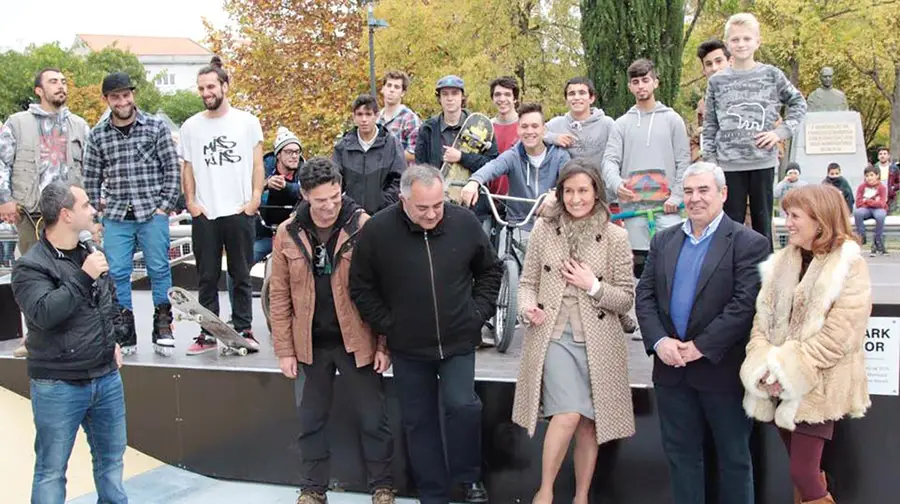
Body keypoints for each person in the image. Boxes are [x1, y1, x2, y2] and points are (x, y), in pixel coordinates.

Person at [349, 164, 502, 504]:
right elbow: (361, 287)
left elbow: (491, 270)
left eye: (438, 205)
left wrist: (477, 315)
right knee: (419, 422)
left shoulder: (464, 222)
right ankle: (433, 493)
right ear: (404, 200)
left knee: (463, 406)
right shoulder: (378, 231)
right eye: (423, 208)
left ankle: (469, 478)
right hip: (408, 347)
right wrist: (388, 324)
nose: (432, 214)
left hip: (459, 340)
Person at [635, 162, 770, 504]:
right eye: (689, 191)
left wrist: (701, 347)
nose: (695, 199)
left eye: (704, 190)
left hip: (721, 372)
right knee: (682, 459)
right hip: (671, 372)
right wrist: (659, 341)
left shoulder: (750, 243)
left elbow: (744, 305)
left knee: (734, 460)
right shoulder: (663, 240)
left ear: (723, 194)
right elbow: (645, 296)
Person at [270, 157, 395, 504]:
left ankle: (382, 485)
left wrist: (385, 345)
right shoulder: (287, 232)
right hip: (309, 343)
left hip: (358, 340)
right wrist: (284, 350)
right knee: (310, 421)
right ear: (306, 195)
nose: (329, 206)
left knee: (373, 418)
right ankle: (313, 488)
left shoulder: (364, 225)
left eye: (335, 197)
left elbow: (385, 288)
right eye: (321, 199)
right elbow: (278, 294)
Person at [512, 159, 635, 504]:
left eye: (583, 190)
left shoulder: (615, 237)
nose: (576, 198)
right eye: (569, 191)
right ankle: (545, 492)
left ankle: (581, 497)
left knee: (588, 424)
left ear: (596, 192)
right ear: (560, 192)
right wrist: (527, 308)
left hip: (599, 343)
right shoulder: (543, 230)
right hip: (553, 335)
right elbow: (527, 283)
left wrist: (593, 286)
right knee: (567, 413)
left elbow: (626, 298)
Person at [740, 184, 871, 504]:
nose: (788, 222)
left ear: (821, 220)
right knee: (802, 472)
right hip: (778, 387)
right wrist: (765, 370)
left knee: (803, 472)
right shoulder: (783, 261)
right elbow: (763, 319)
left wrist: (785, 372)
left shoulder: (850, 264)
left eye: (795, 215)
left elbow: (839, 334)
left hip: (819, 388)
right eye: (786, 214)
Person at [11, 180, 127, 504]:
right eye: (86, 205)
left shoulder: (92, 252)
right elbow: (45, 313)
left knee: (112, 465)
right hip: (58, 384)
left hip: (105, 378)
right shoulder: (30, 266)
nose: (93, 210)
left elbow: (109, 302)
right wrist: (83, 276)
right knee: (51, 471)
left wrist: (113, 341)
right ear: (65, 214)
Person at [83, 72, 181, 357]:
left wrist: (164, 205)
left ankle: (163, 325)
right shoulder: (98, 134)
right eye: (116, 97)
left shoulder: (155, 126)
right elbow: (90, 177)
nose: (122, 101)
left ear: (132, 95)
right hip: (115, 214)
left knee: (160, 269)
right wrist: (97, 212)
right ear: (107, 100)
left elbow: (171, 168)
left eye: (126, 95)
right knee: (117, 274)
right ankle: (124, 330)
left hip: (152, 211)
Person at [0, 67, 90, 358]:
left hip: (68, 213)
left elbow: (89, 168)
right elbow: (2, 161)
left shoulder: (78, 124)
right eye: (53, 82)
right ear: (39, 90)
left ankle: (76, 335)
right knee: (33, 276)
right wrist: (5, 199)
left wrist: (92, 211)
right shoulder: (17, 123)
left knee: (73, 275)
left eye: (64, 82)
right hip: (31, 212)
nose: (61, 86)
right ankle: (34, 339)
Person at [179, 56, 263, 354]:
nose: (206, 93)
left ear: (224, 86)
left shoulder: (247, 122)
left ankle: (243, 328)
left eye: (211, 86)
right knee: (206, 277)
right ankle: (207, 332)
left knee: (240, 274)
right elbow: (187, 167)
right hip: (206, 212)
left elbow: (257, 164)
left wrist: (254, 200)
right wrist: (191, 202)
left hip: (239, 210)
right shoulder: (191, 126)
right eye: (201, 88)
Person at [702, 12, 807, 248]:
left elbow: (799, 103)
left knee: (762, 227)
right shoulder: (717, 82)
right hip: (728, 165)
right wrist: (710, 161)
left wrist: (780, 133)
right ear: (727, 43)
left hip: (762, 163)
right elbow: (710, 125)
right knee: (728, 228)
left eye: (746, 39)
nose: (741, 44)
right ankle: (728, 278)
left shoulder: (771, 75)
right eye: (736, 39)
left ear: (757, 42)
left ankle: (766, 280)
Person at [602, 58, 689, 279]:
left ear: (655, 83)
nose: (641, 86)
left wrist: (677, 196)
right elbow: (610, 160)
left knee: (670, 267)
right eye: (635, 81)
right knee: (639, 272)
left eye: (645, 80)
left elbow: (683, 161)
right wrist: (616, 184)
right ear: (629, 86)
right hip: (634, 209)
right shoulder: (621, 124)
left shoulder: (673, 120)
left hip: (667, 209)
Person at [459, 102, 571, 233]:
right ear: (518, 130)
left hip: (551, 225)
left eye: (535, 126)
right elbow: (493, 166)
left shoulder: (560, 155)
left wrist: (556, 193)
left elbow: (570, 181)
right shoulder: (513, 155)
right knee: (500, 252)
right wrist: (474, 181)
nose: (529, 131)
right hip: (517, 225)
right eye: (524, 126)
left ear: (544, 130)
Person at [414, 75, 499, 193]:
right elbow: (420, 168)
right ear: (439, 98)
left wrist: (461, 157)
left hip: (475, 197)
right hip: (438, 197)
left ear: (462, 97)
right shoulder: (428, 128)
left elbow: (492, 166)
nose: (450, 98)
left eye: (454, 93)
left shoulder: (480, 126)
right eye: (445, 94)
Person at [332, 94, 406, 215]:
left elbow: (400, 180)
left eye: (368, 114)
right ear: (354, 117)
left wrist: (383, 203)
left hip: (384, 215)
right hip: (350, 215)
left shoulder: (391, 145)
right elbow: (335, 181)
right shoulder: (342, 147)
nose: (364, 119)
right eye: (360, 114)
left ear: (376, 116)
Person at [544, 77, 616, 164]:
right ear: (566, 99)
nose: (576, 97)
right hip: (567, 176)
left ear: (591, 98)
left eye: (582, 93)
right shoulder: (556, 124)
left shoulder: (607, 124)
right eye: (571, 94)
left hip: (600, 177)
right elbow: (534, 134)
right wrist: (553, 138)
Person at [691, 39, 732, 162]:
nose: (714, 68)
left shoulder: (752, 94)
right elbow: (694, 143)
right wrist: (701, 159)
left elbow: (775, 133)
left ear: (730, 62)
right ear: (704, 70)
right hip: (714, 172)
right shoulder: (702, 107)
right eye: (708, 64)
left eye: (719, 61)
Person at [377, 70, 421, 164]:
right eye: (389, 85)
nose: (391, 90)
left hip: (403, 176)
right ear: (383, 89)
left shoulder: (410, 119)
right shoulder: (376, 119)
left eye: (396, 87)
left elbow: (416, 153)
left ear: (402, 93)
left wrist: (388, 155)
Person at [853, 165, 889, 256]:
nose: (869, 178)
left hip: (879, 209)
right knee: (858, 213)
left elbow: (881, 203)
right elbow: (858, 203)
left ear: (877, 175)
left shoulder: (882, 187)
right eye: (867, 175)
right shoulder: (862, 187)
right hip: (866, 209)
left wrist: (867, 201)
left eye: (871, 175)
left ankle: (878, 239)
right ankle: (861, 235)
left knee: (880, 216)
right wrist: (872, 202)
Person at [874, 146, 899, 212]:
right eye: (880, 154)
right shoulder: (874, 168)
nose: (882, 156)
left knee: (890, 217)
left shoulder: (894, 168)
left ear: (888, 156)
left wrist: (893, 187)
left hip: (891, 198)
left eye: (885, 154)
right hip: (877, 197)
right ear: (878, 156)